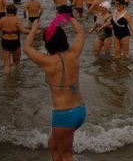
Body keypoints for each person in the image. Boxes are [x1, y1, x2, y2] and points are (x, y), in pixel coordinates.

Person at [23, 14, 86, 161]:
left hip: (64, 115)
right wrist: (69, 18)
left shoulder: (47, 61)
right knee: (52, 145)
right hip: (80, 111)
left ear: (48, 44)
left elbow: (26, 47)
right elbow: (80, 32)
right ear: (64, 40)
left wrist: (33, 29)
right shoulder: (74, 55)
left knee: (66, 156)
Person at [0, 4, 30, 73]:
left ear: (7, 11)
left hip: (5, 42)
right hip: (15, 42)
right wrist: (33, 31)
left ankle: (7, 82)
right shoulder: (17, 19)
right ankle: (17, 79)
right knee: (17, 63)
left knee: (6, 65)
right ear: (15, 12)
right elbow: (23, 30)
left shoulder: (2, 19)